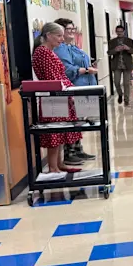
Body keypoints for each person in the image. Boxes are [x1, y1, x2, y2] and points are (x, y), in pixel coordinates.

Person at [31, 22, 83, 173]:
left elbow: (59, 77)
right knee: (54, 134)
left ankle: (59, 164)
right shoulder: (43, 52)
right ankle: (53, 167)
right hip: (53, 99)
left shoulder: (50, 51)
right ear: (48, 35)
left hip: (59, 97)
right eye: (59, 36)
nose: (62, 39)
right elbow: (53, 79)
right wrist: (69, 88)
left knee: (60, 133)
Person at [53, 17, 97, 163]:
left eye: (73, 28)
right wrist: (86, 70)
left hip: (84, 86)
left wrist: (89, 67)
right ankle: (70, 152)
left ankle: (78, 149)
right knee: (73, 121)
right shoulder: (60, 49)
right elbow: (67, 69)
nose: (72, 31)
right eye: (69, 29)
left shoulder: (72, 47)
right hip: (74, 87)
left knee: (80, 120)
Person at [108, 25, 133, 106]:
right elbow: (109, 52)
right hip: (117, 65)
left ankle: (126, 100)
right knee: (116, 82)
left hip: (127, 65)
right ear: (116, 32)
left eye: (121, 31)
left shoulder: (129, 41)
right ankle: (120, 94)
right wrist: (115, 50)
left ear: (124, 32)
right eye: (118, 31)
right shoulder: (112, 41)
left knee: (126, 83)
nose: (119, 33)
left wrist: (128, 48)